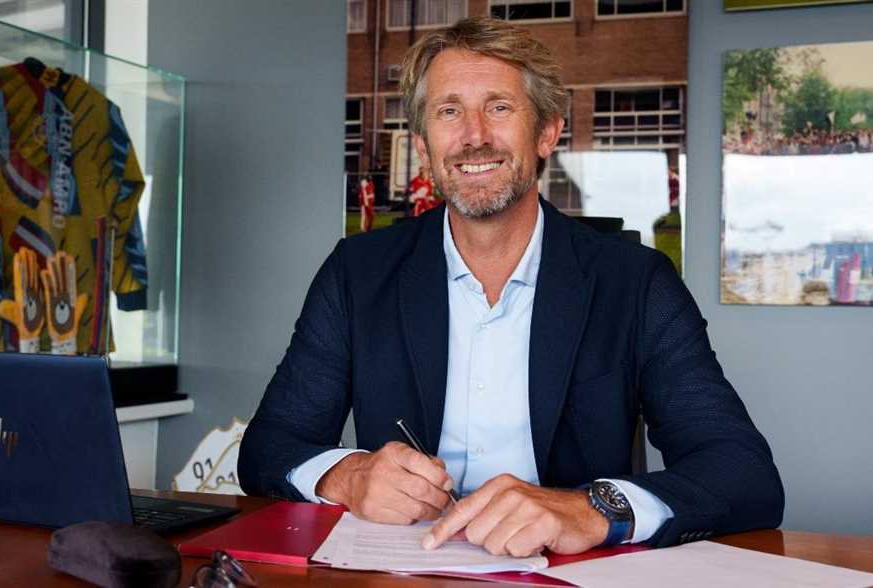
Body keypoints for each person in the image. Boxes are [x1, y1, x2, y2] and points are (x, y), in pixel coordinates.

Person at [239, 16, 783, 556]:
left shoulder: (636, 283)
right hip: (402, 568)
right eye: (449, 111)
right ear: (423, 146)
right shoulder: (357, 273)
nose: (474, 136)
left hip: (568, 573)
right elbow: (268, 446)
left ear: (547, 132)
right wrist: (348, 475)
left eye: (499, 108)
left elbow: (744, 473)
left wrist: (593, 508)